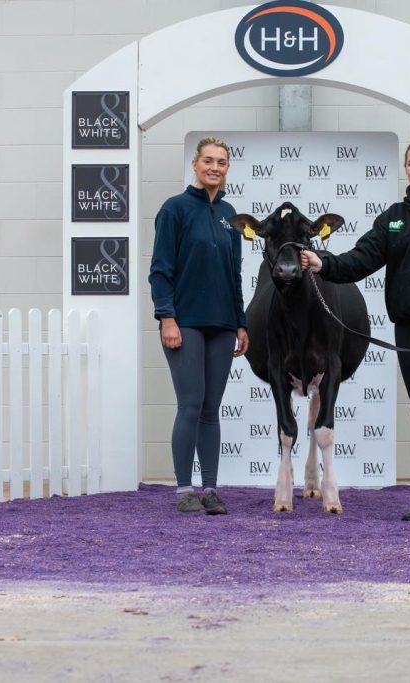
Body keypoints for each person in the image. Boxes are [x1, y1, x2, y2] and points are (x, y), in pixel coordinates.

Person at [301, 130, 410, 521]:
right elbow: (361, 259)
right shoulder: (394, 218)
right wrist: (322, 262)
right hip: (408, 329)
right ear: (406, 168)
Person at [149, 136, 249, 515]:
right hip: (185, 323)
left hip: (222, 325)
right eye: (208, 160)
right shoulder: (174, 210)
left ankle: (209, 488)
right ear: (195, 164)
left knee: (211, 408)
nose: (214, 167)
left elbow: (235, 275)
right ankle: (183, 490)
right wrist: (167, 318)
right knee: (190, 406)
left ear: (227, 169)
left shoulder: (230, 215)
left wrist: (241, 324)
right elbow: (160, 270)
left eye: (221, 162)